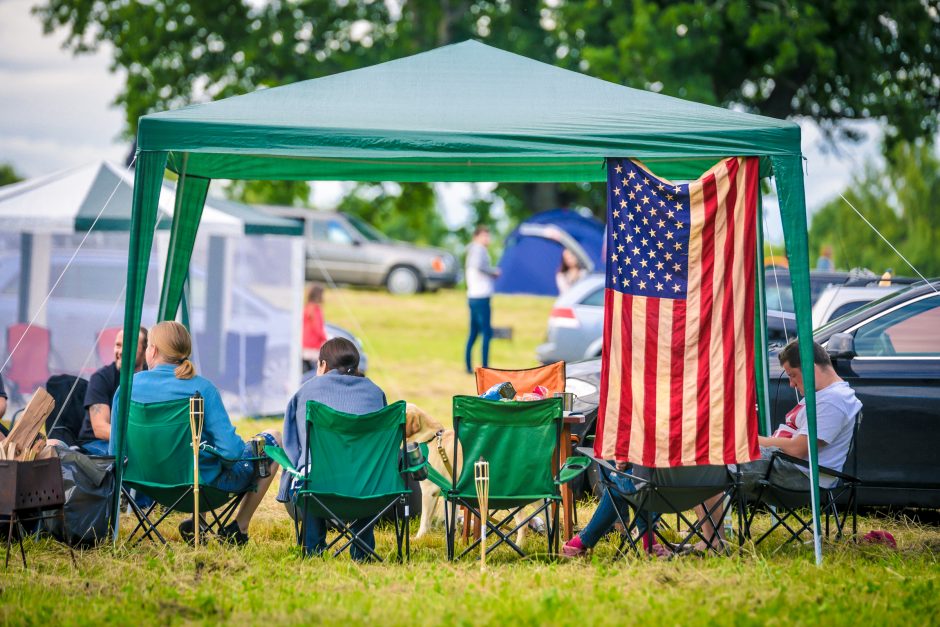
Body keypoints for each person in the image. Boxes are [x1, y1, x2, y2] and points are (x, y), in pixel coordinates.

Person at [113, 321, 281, 545]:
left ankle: (197, 522)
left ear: (152, 350)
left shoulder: (126, 388)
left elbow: (114, 452)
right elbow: (231, 453)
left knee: (198, 445)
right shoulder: (202, 388)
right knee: (273, 438)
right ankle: (238, 527)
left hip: (146, 485)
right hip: (202, 490)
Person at [694, 340, 862, 550]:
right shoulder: (827, 395)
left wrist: (750, 440)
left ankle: (714, 542)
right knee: (702, 453)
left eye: (792, 375)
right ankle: (712, 538)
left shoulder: (833, 400)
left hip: (798, 475)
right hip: (784, 465)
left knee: (706, 460)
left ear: (811, 368)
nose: (791, 383)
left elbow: (798, 449)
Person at [278, 337, 387, 560]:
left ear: (323, 365)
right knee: (364, 469)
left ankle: (313, 547)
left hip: (318, 491)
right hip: (370, 490)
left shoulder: (305, 393)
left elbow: (293, 451)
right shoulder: (376, 393)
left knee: (309, 470)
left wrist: (286, 485)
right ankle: (363, 550)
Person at [561, 461, 666, 558]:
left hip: (643, 485)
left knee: (618, 487)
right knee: (636, 482)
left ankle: (578, 543)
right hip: (670, 490)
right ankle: (650, 543)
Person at [78, 327, 149, 457]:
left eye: (128, 346)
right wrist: (139, 439)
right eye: (118, 345)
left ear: (146, 351)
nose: (121, 351)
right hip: (97, 443)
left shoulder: (149, 380)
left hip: (133, 443)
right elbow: (100, 428)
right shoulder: (101, 378)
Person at [465, 225, 500, 374]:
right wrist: (493, 272)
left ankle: (468, 365)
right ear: (477, 237)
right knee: (486, 332)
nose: (487, 239)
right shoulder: (479, 250)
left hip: (473, 296)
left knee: (473, 332)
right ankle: (485, 367)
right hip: (481, 296)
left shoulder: (471, 250)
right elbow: (480, 266)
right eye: (485, 236)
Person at [302, 283, 327, 372]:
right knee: (314, 371)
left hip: (304, 345)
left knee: (305, 370)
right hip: (313, 346)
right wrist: (325, 338)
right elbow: (318, 329)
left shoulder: (306, 307)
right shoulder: (315, 309)